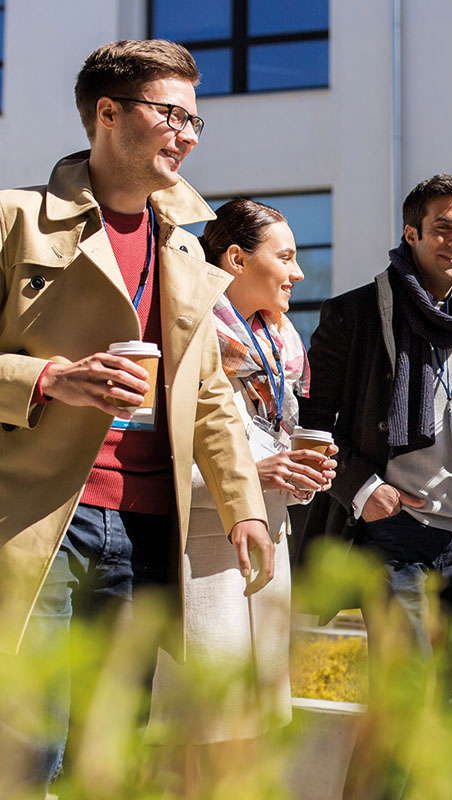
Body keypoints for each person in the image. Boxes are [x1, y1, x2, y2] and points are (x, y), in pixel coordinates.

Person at [0, 41, 272, 796]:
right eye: (170, 114)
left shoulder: (185, 247)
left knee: (111, 751)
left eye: (195, 119)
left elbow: (211, 392)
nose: (185, 133)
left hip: (150, 523)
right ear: (108, 114)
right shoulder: (15, 221)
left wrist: (243, 504)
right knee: (27, 744)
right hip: (41, 520)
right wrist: (52, 378)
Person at [299, 174, 452, 798]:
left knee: (444, 712)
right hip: (394, 532)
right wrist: (363, 486)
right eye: (442, 228)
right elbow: (313, 425)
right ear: (412, 233)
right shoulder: (356, 312)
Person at [149, 199, 337, 781]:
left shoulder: (278, 342)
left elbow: (267, 440)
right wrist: (257, 473)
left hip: (265, 553)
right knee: (199, 728)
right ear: (234, 259)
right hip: (204, 554)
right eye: (284, 257)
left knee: (251, 727)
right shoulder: (186, 332)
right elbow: (165, 454)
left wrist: (298, 476)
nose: (298, 273)